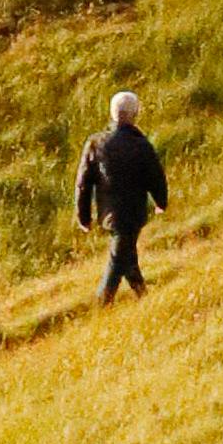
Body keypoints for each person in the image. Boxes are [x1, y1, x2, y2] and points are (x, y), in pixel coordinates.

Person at [73, 87, 168, 300]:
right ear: (134, 114)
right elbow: (155, 176)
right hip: (132, 214)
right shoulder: (141, 145)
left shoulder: (96, 144)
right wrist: (160, 201)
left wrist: (83, 216)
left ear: (112, 113)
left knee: (126, 255)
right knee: (118, 260)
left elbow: (83, 183)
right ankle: (102, 303)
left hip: (109, 214)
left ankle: (143, 295)